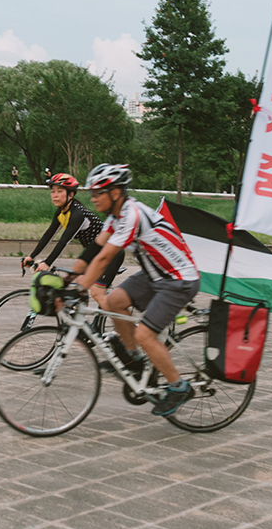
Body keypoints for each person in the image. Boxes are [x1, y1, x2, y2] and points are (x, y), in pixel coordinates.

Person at [72, 163, 200, 417]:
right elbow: (93, 250)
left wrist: (79, 288)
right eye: (92, 193)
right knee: (113, 302)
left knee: (145, 335)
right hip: (155, 275)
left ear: (116, 193)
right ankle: (135, 360)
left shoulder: (132, 215)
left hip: (178, 279)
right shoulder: (115, 217)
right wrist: (71, 277)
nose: (93, 198)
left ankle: (179, 386)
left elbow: (105, 258)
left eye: (99, 192)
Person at [22, 173, 124, 304]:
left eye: (60, 191)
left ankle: (108, 318)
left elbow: (64, 241)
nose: (55, 195)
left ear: (71, 195)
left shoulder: (78, 214)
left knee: (96, 292)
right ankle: (82, 323)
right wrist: (32, 256)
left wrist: (47, 262)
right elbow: (49, 235)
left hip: (111, 254)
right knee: (79, 285)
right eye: (53, 191)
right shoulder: (61, 212)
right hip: (92, 254)